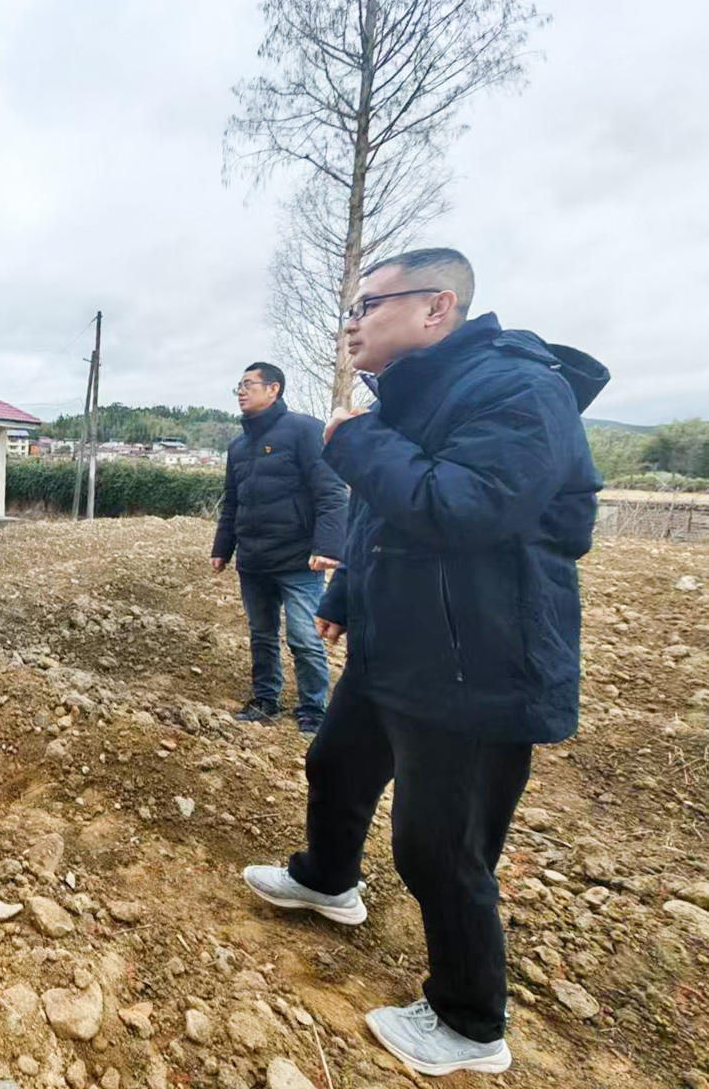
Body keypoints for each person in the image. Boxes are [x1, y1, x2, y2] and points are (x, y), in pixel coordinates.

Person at [242, 248, 609, 1077]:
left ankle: (470, 1023)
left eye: (367, 306)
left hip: (477, 662)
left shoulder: (520, 390)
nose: (351, 325)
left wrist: (359, 441)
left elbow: (461, 508)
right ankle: (327, 880)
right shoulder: (419, 396)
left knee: (441, 846)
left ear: (437, 307)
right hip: (400, 644)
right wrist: (346, 596)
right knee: (336, 766)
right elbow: (387, 519)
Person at [211, 362, 347, 735]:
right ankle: (265, 699)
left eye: (249, 384)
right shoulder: (238, 446)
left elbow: (331, 491)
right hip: (253, 560)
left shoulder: (304, 430)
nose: (241, 392)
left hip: (297, 559)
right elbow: (233, 502)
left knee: (304, 637)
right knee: (262, 635)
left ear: (274, 389)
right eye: (238, 386)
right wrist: (222, 548)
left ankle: (313, 709)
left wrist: (327, 546)